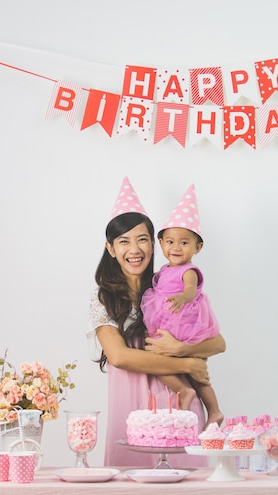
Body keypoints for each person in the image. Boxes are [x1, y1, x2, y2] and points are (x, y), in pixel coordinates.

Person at [87, 178, 226, 468]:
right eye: (124, 241)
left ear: (154, 244)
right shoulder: (105, 299)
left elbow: (217, 342)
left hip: (180, 410)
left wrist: (180, 348)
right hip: (132, 413)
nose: (134, 249)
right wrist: (187, 364)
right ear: (111, 249)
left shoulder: (172, 290)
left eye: (142, 239)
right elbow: (120, 356)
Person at [141, 184, 223, 429]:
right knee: (162, 363)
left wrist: (182, 298)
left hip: (184, 325)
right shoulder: (165, 269)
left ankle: (213, 408)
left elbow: (189, 289)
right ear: (161, 243)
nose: (176, 247)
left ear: (197, 248)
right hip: (166, 322)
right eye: (170, 241)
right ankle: (188, 394)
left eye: (184, 243)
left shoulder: (189, 271)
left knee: (193, 370)